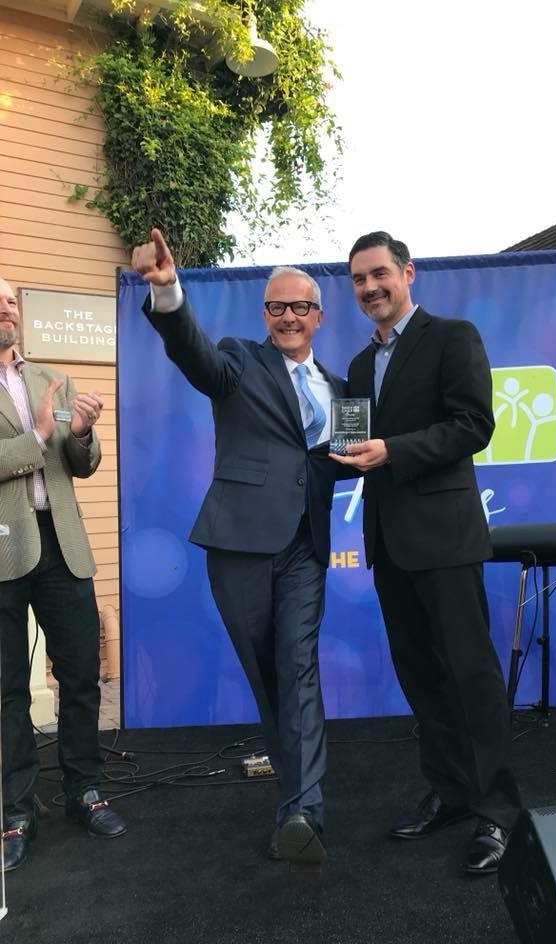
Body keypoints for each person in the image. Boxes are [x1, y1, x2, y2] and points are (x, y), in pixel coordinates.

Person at [132, 229, 347, 866]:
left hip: (307, 544)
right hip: (240, 543)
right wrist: (168, 294)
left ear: (318, 316)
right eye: (277, 307)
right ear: (265, 315)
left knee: (299, 666)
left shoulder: (340, 389)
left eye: (300, 307)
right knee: (268, 673)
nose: (289, 316)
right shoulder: (238, 360)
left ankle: (302, 809)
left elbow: (343, 462)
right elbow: (193, 354)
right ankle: (295, 797)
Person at [331, 231, 522, 875]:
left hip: (444, 538)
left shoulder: (453, 337)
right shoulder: (359, 367)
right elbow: (350, 446)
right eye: (359, 280)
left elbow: (474, 424)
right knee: (421, 677)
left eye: (379, 274)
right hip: (388, 544)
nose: (370, 288)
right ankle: (451, 791)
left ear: (407, 273)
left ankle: (498, 811)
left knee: (471, 675)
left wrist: (394, 451)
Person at [0, 277, 126, 873]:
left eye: (10, 300)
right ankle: (16, 812)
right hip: (4, 549)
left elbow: (82, 464)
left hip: (63, 546)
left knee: (79, 675)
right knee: (6, 689)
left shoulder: (53, 378)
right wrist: (39, 436)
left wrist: (80, 433)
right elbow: (31, 448)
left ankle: (85, 789)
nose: (7, 308)